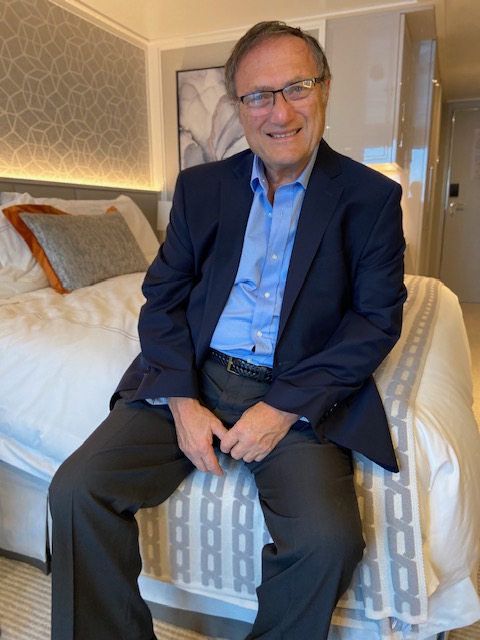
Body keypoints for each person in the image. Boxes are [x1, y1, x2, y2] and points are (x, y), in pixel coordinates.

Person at [49, 20, 406, 640]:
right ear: (239, 107)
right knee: (77, 490)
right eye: (258, 95)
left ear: (324, 88)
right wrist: (180, 399)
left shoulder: (370, 197)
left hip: (297, 385)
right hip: (196, 372)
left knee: (327, 542)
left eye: (296, 87)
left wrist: (282, 408)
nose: (280, 112)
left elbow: (375, 320)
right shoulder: (202, 188)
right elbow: (163, 296)